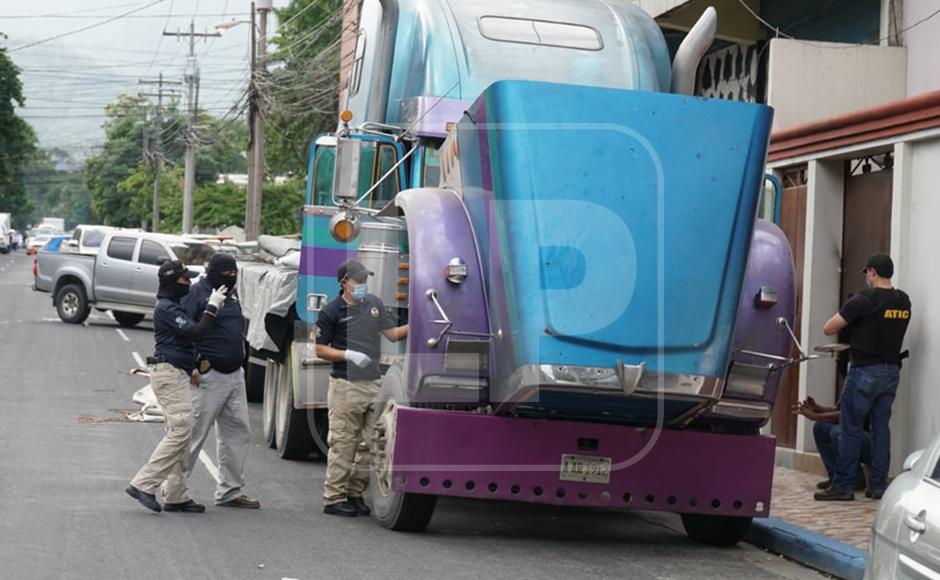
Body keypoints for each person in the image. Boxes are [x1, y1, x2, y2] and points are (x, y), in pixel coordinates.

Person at [126, 260, 228, 513]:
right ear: (173, 282)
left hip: (176, 373)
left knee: (180, 432)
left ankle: (176, 495)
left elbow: (187, 340)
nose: (189, 282)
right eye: (184, 279)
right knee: (181, 431)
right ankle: (142, 484)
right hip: (168, 374)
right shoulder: (167, 308)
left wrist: (194, 362)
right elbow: (197, 333)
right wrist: (212, 307)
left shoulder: (174, 305)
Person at [814, 253, 911, 501]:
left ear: (872, 272)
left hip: (865, 371)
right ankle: (878, 486)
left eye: (867, 273)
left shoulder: (862, 300)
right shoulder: (904, 301)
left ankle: (843, 485)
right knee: (881, 429)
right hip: (891, 372)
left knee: (850, 428)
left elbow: (828, 328)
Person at [315, 259, 408, 517]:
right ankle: (334, 497)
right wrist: (347, 355)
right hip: (346, 384)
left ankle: (355, 493)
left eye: (366, 279)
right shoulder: (331, 311)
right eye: (359, 280)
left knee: (370, 442)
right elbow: (320, 349)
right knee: (344, 442)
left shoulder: (374, 304)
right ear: (344, 283)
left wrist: (417, 324)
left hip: (373, 382)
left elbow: (391, 334)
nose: (364, 285)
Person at [181, 253, 260, 509]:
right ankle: (175, 490)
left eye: (234, 272)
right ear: (212, 271)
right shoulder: (197, 293)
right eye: (226, 272)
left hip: (235, 376)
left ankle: (230, 491)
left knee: (238, 433)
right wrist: (191, 363)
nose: (231, 276)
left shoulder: (230, 294)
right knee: (194, 433)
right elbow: (184, 330)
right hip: (207, 375)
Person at [794, 396, 871, 491]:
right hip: (856, 438)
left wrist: (815, 416)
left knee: (838, 432)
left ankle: (854, 478)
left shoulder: (862, 385)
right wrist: (817, 408)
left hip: (869, 443)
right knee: (820, 427)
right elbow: (837, 410)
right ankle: (836, 478)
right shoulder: (850, 384)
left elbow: (847, 416)